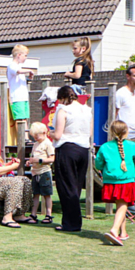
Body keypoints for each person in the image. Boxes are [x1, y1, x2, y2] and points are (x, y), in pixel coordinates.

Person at [95, 120, 135, 246]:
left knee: (121, 206)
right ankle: (114, 230)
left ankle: (123, 232)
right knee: (123, 206)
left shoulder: (105, 147)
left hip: (111, 181)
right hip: (126, 180)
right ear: (126, 131)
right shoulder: (132, 146)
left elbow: (98, 164)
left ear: (111, 131)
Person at [50, 85, 92, 232]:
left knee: (66, 187)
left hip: (67, 148)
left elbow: (58, 135)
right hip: (83, 149)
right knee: (76, 186)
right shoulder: (87, 110)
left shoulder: (63, 110)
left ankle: (71, 223)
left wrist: (49, 133)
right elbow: (90, 132)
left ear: (62, 98)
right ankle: (72, 221)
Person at [114, 65, 135, 216]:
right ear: (128, 76)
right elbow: (114, 115)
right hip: (125, 137)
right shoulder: (120, 93)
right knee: (129, 170)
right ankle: (133, 200)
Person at [25, 122, 55, 223]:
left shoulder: (48, 143)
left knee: (47, 194)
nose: (35, 138)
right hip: (35, 172)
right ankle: (33, 214)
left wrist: (39, 160)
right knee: (35, 194)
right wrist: (30, 161)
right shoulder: (35, 144)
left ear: (43, 132)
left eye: (37, 136)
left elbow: (52, 158)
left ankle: (48, 214)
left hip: (44, 172)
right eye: (34, 136)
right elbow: (33, 156)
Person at [7, 44, 35, 124]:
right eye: (25, 55)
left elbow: (19, 78)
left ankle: (25, 136)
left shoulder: (19, 67)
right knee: (19, 120)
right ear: (19, 55)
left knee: (25, 119)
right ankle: (21, 136)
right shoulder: (12, 65)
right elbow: (18, 71)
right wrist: (29, 70)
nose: (26, 58)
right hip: (17, 98)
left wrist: (28, 78)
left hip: (23, 97)